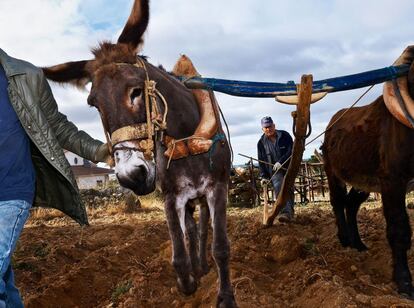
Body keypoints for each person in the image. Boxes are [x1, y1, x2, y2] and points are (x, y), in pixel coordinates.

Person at [0, 48, 110, 307]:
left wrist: (98, 150)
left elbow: (57, 126)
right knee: (4, 280)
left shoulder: (24, 75)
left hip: (12, 192)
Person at [257, 116, 294, 222]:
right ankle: (285, 213)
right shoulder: (261, 143)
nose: (268, 129)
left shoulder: (285, 136)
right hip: (274, 171)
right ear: (262, 129)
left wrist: (281, 162)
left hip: (288, 168)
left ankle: (290, 214)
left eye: (270, 126)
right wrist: (263, 176)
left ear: (274, 125)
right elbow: (261, 161)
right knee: (279, 186)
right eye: (266, 127)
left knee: (289, 189)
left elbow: (291, 151)